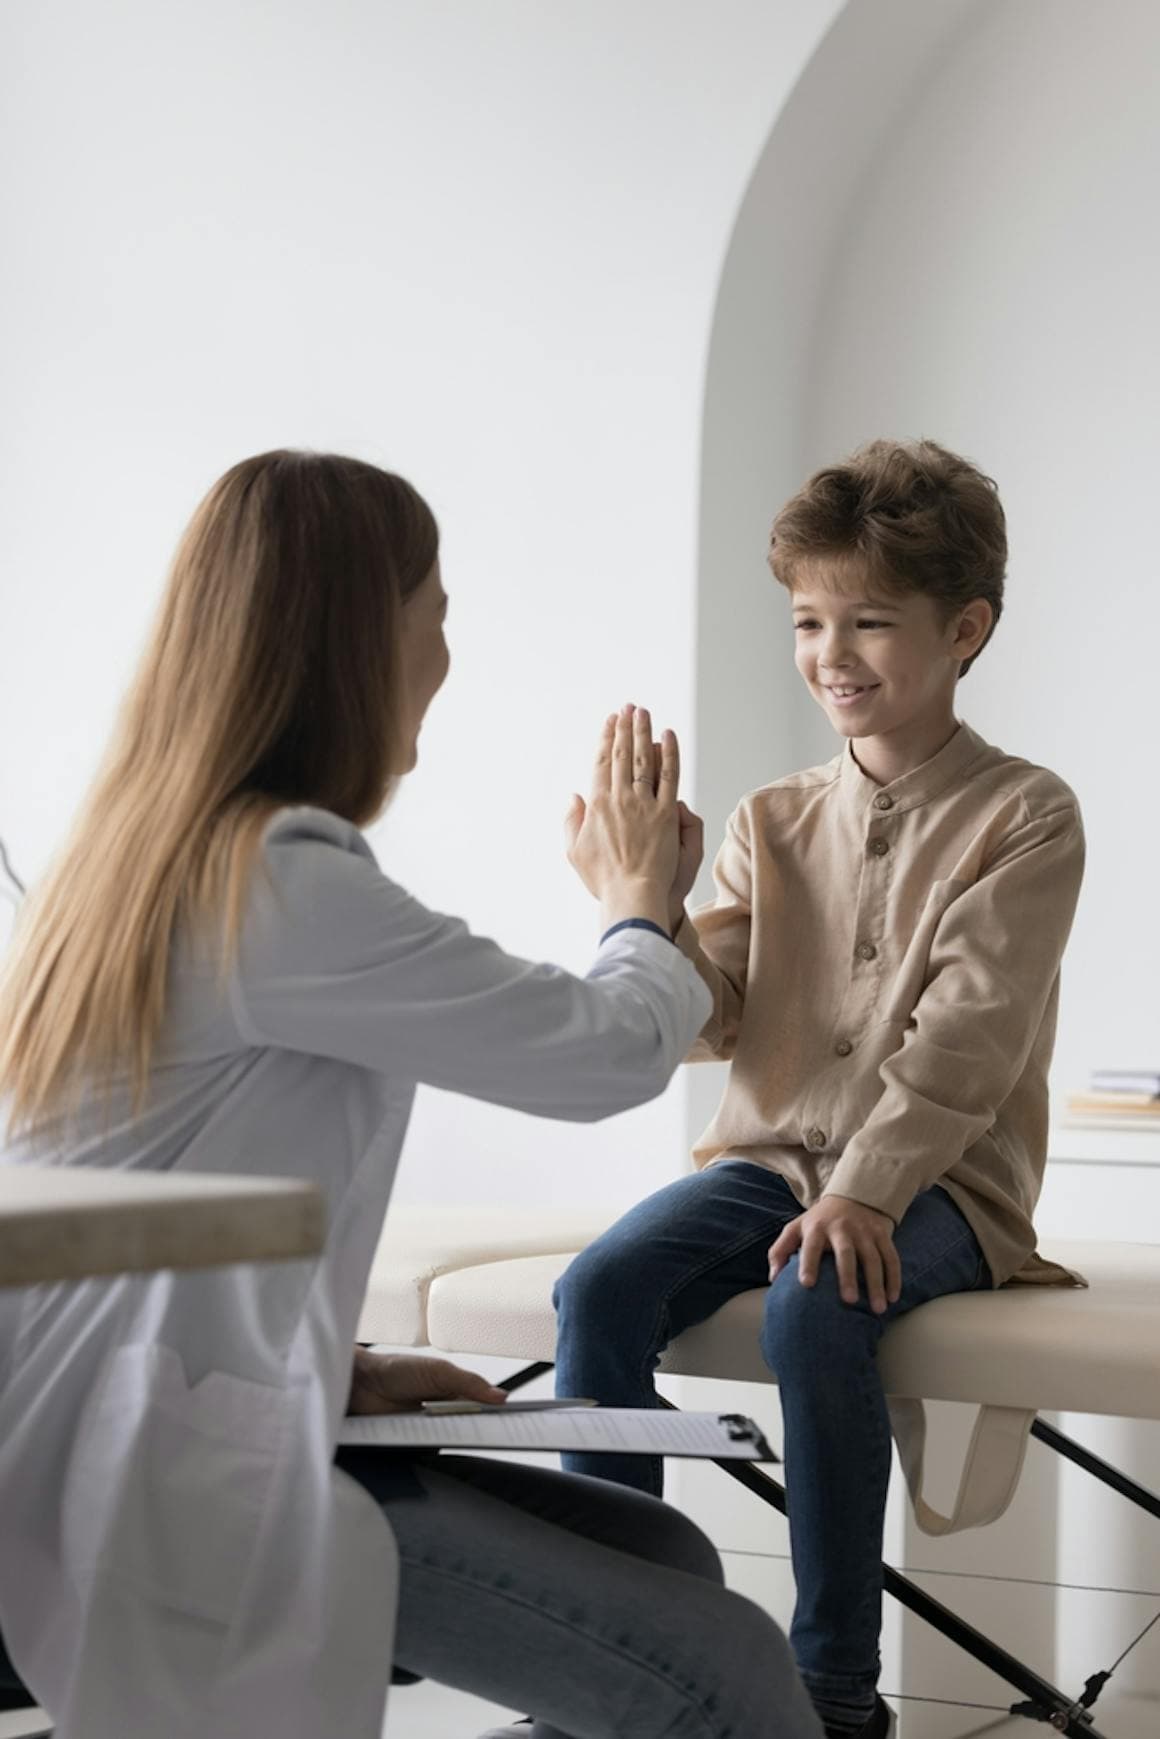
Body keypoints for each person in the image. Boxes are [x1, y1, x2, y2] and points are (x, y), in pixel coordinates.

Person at [0, 450, 823, 1739]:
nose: (444, 658)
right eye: (434, 620)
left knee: (669, 1564)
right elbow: (599, 1053)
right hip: (138, 1488)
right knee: (728, 1677)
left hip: (116, 1428)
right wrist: (636, 905)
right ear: (356, 643)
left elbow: (129, 1244)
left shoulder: (130, 861)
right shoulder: (278, 879)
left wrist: (338, 1369)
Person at [553, 439, 1087, 1739]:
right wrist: (650, 907)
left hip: (945, 1184)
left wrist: (862, 1192)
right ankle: (616, 1658)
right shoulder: (771, 817)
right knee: (598, 1290)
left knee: (816, 1304)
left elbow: (966, 1038)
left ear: (966, 629)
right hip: (765, 1159)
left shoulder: (1026, 815)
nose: (830, 653)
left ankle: (832, 1692)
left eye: (868, 621)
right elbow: (710, 1021)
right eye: (807, 621)